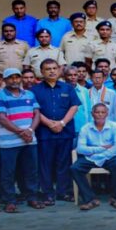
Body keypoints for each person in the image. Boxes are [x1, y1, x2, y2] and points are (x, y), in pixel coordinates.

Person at [0, 68, 44, 212]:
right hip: (8, 143)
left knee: (31, 171)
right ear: (5, 80)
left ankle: (32, 197)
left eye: (17, 77)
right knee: (8, 173)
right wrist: (21, 132)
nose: (14, 80)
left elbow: (36, 114)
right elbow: (1, 118)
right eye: (10, 77)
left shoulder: (29, 94)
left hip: (29, 140)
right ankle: (9, 200)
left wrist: (30, 130)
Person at [30, 59, 81, 205]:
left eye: (54, 68)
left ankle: (63, 192)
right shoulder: (34, 90)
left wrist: (62, 123)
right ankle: (47, 194)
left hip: (65, 131)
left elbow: (74, 106)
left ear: (59, 70)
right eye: (48, 69)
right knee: (45, 164)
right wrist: (49, 123)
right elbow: (35, 110)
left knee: (64, 162)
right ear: (41, 72)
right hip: (44, 133)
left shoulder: (67, 88)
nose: (52, 71)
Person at [71, 103, 116, 210]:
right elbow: (80, 149)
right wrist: (100, 149)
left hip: (109, 156)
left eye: (103, 112)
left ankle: (115, 198)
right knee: (75, 168)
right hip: (90, 157)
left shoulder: (115, 126)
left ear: (107, 114)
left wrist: (101, 154)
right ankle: (90, 199)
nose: (100, 115)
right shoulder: (85, 128)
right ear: (92, 114)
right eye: (97, 112)